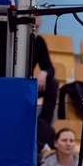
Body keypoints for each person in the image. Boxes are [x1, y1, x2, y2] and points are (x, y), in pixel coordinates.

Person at [34, 21, 60, 154]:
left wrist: (44, 72)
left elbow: (50, 68)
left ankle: (44, 125)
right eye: (34, 26)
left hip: (28, 86)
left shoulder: (38, 41)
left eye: (37, 27)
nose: (35, 29)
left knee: (52, 83)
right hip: (10, 84)